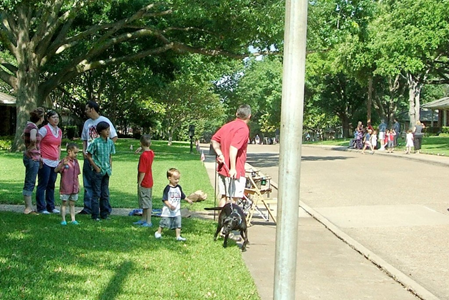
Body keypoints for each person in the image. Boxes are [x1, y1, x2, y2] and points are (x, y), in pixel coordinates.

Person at [78, 101, 118, 215]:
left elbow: (114, 137)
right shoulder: (87, 123)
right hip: (88, 157)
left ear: (92, 109)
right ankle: (88, 208)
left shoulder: (104, 121)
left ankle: (105, 209)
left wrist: (104, 148)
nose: (85, 111)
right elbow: (84, 139)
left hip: (100, 160)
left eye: (86, 109)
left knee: (103, 187)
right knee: (88, 183)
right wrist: (84, 151)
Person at [211, 104, 251, 207]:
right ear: (249, 116)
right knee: (233, 200)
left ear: (236, 114)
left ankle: (221, 222)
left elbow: (214, 140)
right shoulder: (243, 128)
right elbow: (233, 148)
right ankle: (230, 222)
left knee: (224, 197)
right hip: (234, 170)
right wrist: (233, 168)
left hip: (223, 168)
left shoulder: (227, 126)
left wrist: (219, 153)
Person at [86, 121, 116, 221]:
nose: (108, 132)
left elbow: (110, 156)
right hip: (97, 171)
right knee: (96, 193)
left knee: (105, 193)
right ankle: (95, 215)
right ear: (100, 131)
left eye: (109, 130)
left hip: (106, 171)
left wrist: (110, 167)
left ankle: (105, 214)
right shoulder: (95, 142)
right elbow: (88, 155)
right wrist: (96, 167)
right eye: (106, 130)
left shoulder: (110, 142)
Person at [154, 168, 193, 241]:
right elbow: (164, 199)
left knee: (178, 223)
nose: (177, 181)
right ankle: (158, 232)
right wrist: (169, 205)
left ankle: (178, 236)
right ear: (169, 178)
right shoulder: (167, 189)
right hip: (167, 211)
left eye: (178, 179)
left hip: (176, 211)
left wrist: (188, 200)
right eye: (175, 179)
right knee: (164, 222)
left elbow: (183, 196)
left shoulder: (178, 187)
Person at [36, 110, 62, 214]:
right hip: (45, 161)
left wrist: (58, 158)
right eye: (53, 117)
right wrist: (39, 155)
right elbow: (36, 142)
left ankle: (51, 206)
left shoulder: (59, 131)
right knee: (43, 183)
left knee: (51, 184)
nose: (56, 119)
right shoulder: (44, 129)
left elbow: (59, 145)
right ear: (48, 119)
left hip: (54, 162)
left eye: (57, 117)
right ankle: (41, 207)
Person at [22, 107, 45, 215]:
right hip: (32, 158)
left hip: (31, 157)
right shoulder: (33, 128)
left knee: (30, 180)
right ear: (40, 118)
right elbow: (32, 138)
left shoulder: (28, 125)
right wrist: (32, 147)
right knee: (30, 181)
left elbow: (23, 136)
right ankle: (28, 208)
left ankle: (30, 206)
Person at [55, 143, 81, 225]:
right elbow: (56, 170)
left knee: (72, 203)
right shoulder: (64, 161)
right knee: (64, 203)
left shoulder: (76, 162)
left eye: (77, 153)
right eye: (75, 152)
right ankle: (63, 219)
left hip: (74, 186)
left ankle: (73, 219)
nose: (76, 154)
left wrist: (78, 185)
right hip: (66, 186)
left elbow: (77, 175)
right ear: (69, 151)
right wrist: (62, 164)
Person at [133, 135, 155, 227]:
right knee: (145, 201)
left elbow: (142, 171)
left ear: (141, 143)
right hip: (149, 180)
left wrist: (139, 183)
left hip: (144, 181)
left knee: (147, 202)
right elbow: (147, 150)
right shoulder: (151, 153)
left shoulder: (143, 156)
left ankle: (148, 221)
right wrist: (141, 148)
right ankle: (143, 219)